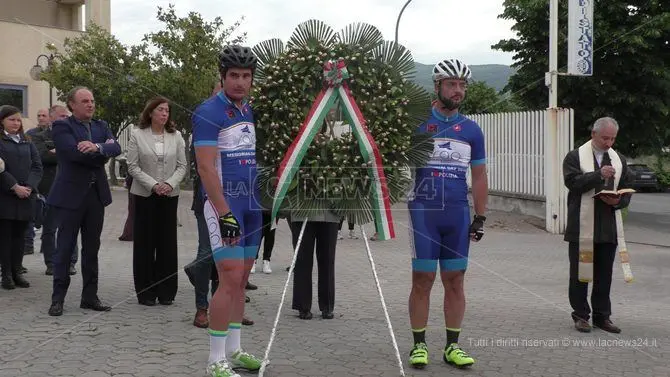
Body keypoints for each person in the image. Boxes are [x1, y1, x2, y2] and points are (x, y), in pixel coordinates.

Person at [407, 58, 488, 369]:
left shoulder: (471, 130)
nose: (458, 90)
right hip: (423, 211)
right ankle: (419, 345)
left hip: (457, 213)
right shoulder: (416, 122)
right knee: (423, 279)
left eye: (462, 85)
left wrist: (480, 216)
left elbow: (479, 176)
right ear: (437, 85)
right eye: (452, 84)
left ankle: (452, 347)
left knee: (455, 280)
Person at [193, 45, 263, 377]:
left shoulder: (247, 110)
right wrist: (224, 213)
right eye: (233, 75)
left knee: (242, 280)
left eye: (245, 76)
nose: (239, 82)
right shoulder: (209, 111)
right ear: (222, 77)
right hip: (226, 207)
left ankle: (235, 350)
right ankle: (215, 359)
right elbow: (206, 170)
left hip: (251, 205)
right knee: (229, 278)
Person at [47, 86, 122, 316]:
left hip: (95, 196)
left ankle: (90, 297)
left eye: (92, 100)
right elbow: (72, 153)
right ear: (72, 105)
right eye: (85, 101)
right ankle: (57, 299)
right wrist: (101, 153)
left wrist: (97, 146)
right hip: (71, 196)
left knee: (92, 248)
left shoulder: (101, 125)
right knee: (65, 247)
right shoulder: (62, 126)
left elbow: (116, 147)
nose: (90, 104)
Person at [562, 117, 632, 334]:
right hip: (581, 226)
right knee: (579, 273)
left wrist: (618, 201)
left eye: (612, 138)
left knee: (604, 275)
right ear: (593, 134)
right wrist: (598, 175)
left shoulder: (618, 159)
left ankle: (603, 316)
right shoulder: (575, 156)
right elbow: (572, 183)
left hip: (607, 227)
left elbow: (627, 187)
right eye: (605, 138)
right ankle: (581, 315)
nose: (609, 143)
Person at [127, 97, 187, 306]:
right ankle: (146, 292)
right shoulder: (137, 135)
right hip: (145, 195)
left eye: (167, 111)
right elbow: (132, 166)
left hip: (169, 195)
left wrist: (169, 184)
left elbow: (182, 166)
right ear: (150, 112)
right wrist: (153, 185)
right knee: (144, 243)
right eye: (160, 110)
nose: (164, 114)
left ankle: (167, 292)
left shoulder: (176, 136)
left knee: (167, 244)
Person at [31, 105, 79, 276]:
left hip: (71, 189)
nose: (65, 119)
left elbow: (77, 155)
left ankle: (71, 262)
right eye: (61, 116)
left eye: (67, 116)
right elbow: (42, 157)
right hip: (49, 190)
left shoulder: (75, 136)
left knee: (70, 227)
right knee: (50, 229)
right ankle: (51, 263)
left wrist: (57, 152)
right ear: (51, 118)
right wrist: (63, 152)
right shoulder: (37, 137)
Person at [0, 105, 43, 289]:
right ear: (2, 121)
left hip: (26, 196)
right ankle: (6, 275)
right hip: (5, 196)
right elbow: (0, 169)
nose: (16, 123)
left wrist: (29, 186)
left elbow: (37, 165)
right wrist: (14, 186)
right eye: (11, 119)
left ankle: (18, 271)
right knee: (5, 237)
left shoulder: (27, 141)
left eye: (18, 120)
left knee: (21, 236)